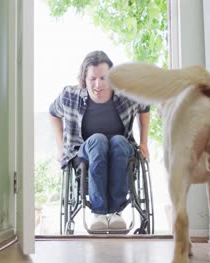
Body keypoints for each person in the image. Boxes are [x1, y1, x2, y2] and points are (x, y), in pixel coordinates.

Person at [49, 50, 150, 231]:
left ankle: (116, 212)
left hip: (121, 149)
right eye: (92, 79)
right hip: (86, 153)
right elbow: (53, 113)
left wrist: (144, 142)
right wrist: (60, 147)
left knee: (118, 142)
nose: (98, 84)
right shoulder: (70, 96)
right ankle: (100, 213)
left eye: (103, 78)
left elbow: (145, 106)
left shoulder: (126, 94)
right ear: (84, 79)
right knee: (98, 140)